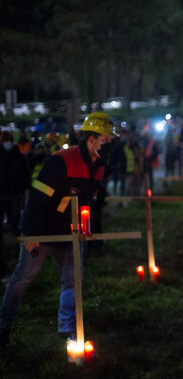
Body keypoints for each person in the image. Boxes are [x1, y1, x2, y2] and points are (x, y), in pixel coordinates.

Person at [0, 112, 115, 347]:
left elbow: (87, 201)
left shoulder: (99, 166)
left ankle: (67, 327)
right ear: (91, 139)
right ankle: (3, 327)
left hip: (69, 233)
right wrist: (32, 235)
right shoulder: (61, 161)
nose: (110, 143)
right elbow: (37, 199)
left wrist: (84, 228)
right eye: (106, 139)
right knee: (22, 280)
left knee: (73, 280)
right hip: (42, 230)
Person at [0, 130, 31, 280]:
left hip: (15, 194)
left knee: (15, 217)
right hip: (2, 194)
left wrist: (23, 189)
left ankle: (17, 241)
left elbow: (26, 174)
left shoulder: (19, 157)